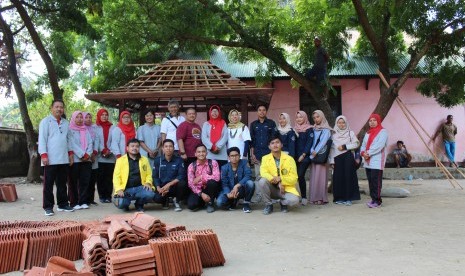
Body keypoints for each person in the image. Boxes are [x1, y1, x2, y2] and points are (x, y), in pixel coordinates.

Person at [38, 99, 74, 216]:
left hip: (63, 158)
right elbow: (42, 139)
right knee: (48, 184)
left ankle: (63, 204)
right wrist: (44, 155)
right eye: (57, 107)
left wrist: (70, 154)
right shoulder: (45, 122)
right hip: (50, 159)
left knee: (62, 183)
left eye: (61, 107)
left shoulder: (66, 123)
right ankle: (48, 207)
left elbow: (69, 140)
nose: (59, 109)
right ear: (51, 108)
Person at [258, 136, 300, 215]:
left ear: (281, 145)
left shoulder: (289, 159)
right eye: (272, 143)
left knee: (294, 200)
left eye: (277, 142)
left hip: (286, 188)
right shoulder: (265, 158)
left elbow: (294, 178)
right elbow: (263, 173)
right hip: (272, 187)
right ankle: (268, 204)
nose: (275, 145)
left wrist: (281, 179)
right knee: (262, 181)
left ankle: (283, 203)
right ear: (269, 146)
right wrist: (278, 182)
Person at [113, 138, 155, 212]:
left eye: (137, 146)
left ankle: (139, 204)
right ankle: (126, 204)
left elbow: (149, 173)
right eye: (132, 146)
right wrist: (119, 189)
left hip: (140, 187)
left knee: (150, 194)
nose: (135, 148)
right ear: (127, 148)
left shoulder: (144, 159)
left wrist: (148, 182)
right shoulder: (120, 160)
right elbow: (116, 177)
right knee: (121, 204)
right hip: (126, 189)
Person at [329, 115, 360, 206]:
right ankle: (339, 198)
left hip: (347, 157)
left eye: (343, 123)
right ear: (336, 123)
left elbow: (356, 144)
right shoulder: (333, 134)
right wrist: (331, 161)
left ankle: (349, 198)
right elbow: (332, 149)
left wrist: (345, 146)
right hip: (336, 158)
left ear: (346, 123)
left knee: (348, 177)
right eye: (339, 122)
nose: (341, 124)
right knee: (338, 178)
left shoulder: (350, 133)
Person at [360, 114, 388, 208]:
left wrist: (368, 153)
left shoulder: (383, 132)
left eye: (374, 120)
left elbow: (379, 146)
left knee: (376, 181)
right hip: (368, 161)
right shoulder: (367, 133)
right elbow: (363, 145)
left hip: (377, 160)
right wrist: (363, 153)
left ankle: (378, 201)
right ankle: (373, 199)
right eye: (370, 120)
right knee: (371, 181)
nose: (372, 122)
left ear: (378, 121)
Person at [217, 147, 255, 213]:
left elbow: (248, 175)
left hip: (241, 189)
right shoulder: (224, 168)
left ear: (239, 156)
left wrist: (237, 185)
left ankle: (246, 203)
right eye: (232, 156)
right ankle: (233, 201)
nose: (234, 158)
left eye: (236, 155)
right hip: (230, 190)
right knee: (219, 203)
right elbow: (224, 183)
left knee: (250, 183)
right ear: (228, 157)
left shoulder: (244, 163)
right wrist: (228, 193)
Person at [68, 111, 93, 210]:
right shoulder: (70, 130)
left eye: (81, 117)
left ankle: (83, 201)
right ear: (73, 118)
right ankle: (74, 202)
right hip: (76, 159)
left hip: (86, 160)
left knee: (84, 181)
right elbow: (72, 144)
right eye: (77, 117)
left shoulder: (85, 129)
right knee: (73, 182)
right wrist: (82, 154)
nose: (79, 119)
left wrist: (88, 154)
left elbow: (90, 143)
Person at [153, 139, 187, 212]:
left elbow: (181, 175)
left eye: (170, 146)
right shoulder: (157, 160)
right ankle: (165, 200)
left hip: (174, 186)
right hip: (163, 187)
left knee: (183, 183)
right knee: (157, 199)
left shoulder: (179, 160)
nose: (168, 148)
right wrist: (158, 188)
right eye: (166, 146)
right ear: (163, 148)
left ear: (174, 148)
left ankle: (177, 200)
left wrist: (169, 184)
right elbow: (155, 176)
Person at [186, 144, 221, 213]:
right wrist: (201, 194)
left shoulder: (213, 163)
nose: (201, 154)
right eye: (199, 152)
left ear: (207, 153)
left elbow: (217, 177)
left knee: (212, 183)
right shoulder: (191, 166)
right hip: (198, 190)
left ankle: (210, 203)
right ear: (195, 154)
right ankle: (202, 202)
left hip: (209, 188)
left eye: (203, 151)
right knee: (191, 206)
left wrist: (201, 177)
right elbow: (191, 183)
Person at [308, 110, 332, 205]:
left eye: (318, 117)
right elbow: (311, 141)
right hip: (313, 155)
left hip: (321, 156)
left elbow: (323, 142)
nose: (316, 119)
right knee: (314, 177)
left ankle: (321, 198)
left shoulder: (326, 129)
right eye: (314, 118)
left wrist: (315, 151)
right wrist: (311, 151)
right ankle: (313, 197)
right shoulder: (313, 129)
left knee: (321, 177)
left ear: (322, 117)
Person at [250, 104, 277, 178]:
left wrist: (273, 152)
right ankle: (258, 190)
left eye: (264, 110)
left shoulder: (271, 123)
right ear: (257, 112)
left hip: (269, 154)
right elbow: (251, 140)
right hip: (257, 154)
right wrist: (252, 154)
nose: (262, 112)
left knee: (269, 176)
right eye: (260, 110)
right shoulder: (253, 124)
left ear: (266, 111)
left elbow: (274, 138)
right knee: (258, 176)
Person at [294, 111, 314, 205]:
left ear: (305, 118)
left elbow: (309, 143)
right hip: (295, 157)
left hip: (304, 157)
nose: (299, 119)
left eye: (301, 117)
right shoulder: (295, 129)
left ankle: (304, 197)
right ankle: (295, 196)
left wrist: (303, 155)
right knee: (294, 177)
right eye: (297, 117)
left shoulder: (309, 129)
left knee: (300, 175)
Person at [96, 108, 116, 203]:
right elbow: (96, 141)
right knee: (100, 178)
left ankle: (108, 196)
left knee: (109, 177)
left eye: (106, 115)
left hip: (110, 157)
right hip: (100, 157)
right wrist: (103, 150)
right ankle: (102, 196)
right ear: (99, 116)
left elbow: (114, 140)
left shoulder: (112, 127)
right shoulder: (95, 127)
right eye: (102, 115)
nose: (104, 116)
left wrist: (109, 151)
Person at [83, 112, 99, 206]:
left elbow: (97, 141)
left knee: (93, 178)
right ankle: (84, 199)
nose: (88, 119)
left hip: (94, 156)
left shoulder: (94, 129)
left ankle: (91, 199)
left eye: (90, 117)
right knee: (86, 179)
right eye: (86, 117)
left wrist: (94, 153)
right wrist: (88, 154)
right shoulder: (82, 129)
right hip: (84, 157)